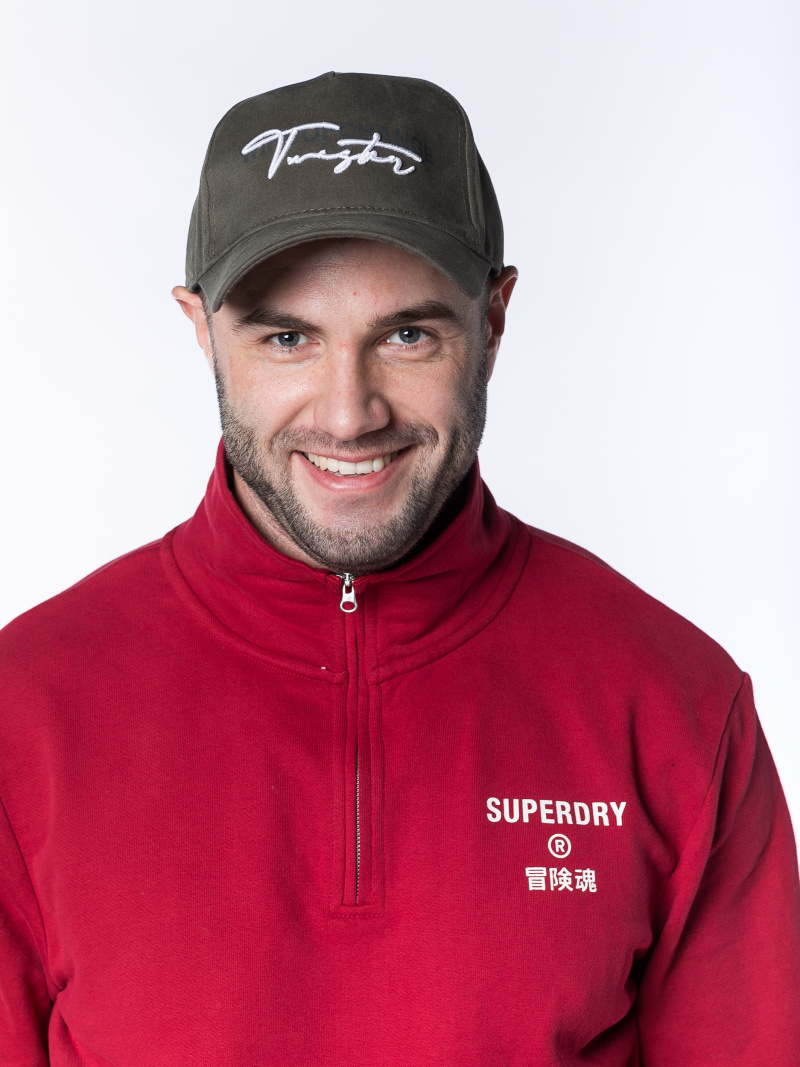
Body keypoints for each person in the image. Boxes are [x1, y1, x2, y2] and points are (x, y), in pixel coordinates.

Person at [1, 70, 798, 1066]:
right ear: (200, 328)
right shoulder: (24, 713)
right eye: (287, 337)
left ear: (494, 318)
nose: (349, 413)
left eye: (408, 334)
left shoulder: (675, 703)